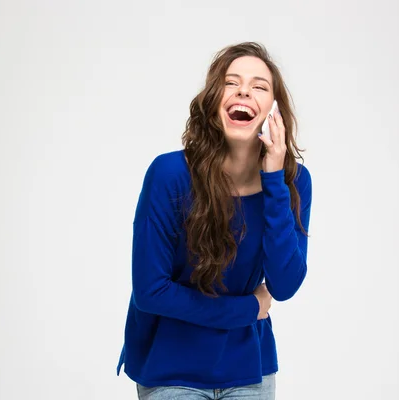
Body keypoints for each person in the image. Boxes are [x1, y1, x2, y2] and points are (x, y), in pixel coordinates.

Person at [116, 41, 312, 399]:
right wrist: (249, 307)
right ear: (212, 101)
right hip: (170, 366)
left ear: (274, 111)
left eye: (259, 86)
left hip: (249, 368)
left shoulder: (292, 182)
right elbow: (151, 292)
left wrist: (273, 181)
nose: (244, 91)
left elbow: (283, 285)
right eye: (231, 82)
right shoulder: (169, 175)